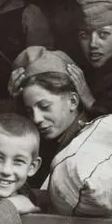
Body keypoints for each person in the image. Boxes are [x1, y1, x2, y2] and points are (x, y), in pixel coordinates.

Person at [13, 46, 92, 185]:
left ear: (73, 101)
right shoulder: (53, 139)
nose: (36, 119)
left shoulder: (88, 144)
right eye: (29, 111)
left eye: (44, 107)